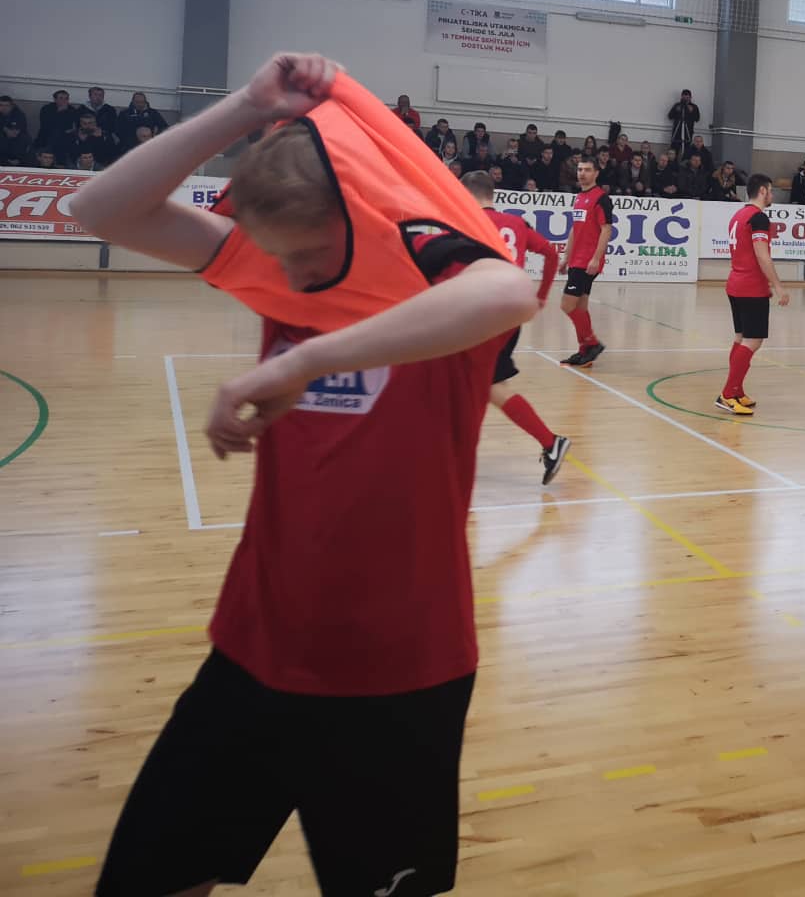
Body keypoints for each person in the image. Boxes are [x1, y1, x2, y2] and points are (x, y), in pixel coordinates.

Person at [68, 53, 537, 897]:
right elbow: (97, 209)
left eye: (309, 257)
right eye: (276, 260)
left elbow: (509, 295)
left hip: (400, 670)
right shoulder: (286, 275)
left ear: (362, 219)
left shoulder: (444, 293)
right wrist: (244, 108)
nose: (289, 281)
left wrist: (301, 363)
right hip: (256, 646)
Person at [461, 171, 570, 484]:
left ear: (465, 194)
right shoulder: (516, 223)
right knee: (485, 385)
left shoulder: (468, 222)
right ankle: (549, 443)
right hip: (510, 313)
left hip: (484, 313)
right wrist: (540, 297)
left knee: (474, 384)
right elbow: (550, 253)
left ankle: (550, 442)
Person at [718, 173, 790, 414]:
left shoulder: (738, 215)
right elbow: (762, 255)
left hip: (735, 283)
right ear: (762, 191)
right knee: (753, 340)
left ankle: (736, 390)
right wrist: (778, 286)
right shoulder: (758, 218)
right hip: (750, 287)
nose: (772, 195)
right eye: (770, 191)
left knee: (741, 338)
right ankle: (728, 394)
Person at [557, 157, 613, 369]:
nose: (582, 173)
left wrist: (596, 258)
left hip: (587, 261)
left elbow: (606, 229)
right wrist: (566, 257)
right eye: (580, 169)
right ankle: (585, 352)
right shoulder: (579, 197)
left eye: (587, 170)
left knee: (567, 305)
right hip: (576, 260)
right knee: (580, 306)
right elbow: (575, 229)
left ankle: (592, 343)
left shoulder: (601, 198)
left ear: (596, 173)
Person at [37, 89, 85, 154]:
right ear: (55, 99)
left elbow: (75, 125)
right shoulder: (46, 109)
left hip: (67, 136)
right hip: (48, 135)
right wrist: (60, 112)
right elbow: (46, 125)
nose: (64, 101)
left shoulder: (72, 110)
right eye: (61, 98)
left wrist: (73, 130)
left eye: (66, 99)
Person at [2, 100, 33, 165]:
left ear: (12, 106)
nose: (4, 108)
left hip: (19, 158)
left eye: (7, 105)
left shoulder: (19, 115)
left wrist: (20, 160)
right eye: (1, 105)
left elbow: (17, 131)